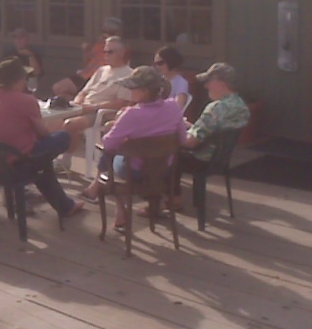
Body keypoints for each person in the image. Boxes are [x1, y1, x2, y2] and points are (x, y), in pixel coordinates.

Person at [0, 58, 85, 218]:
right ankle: (64, 206)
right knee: (61, 138)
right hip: (17, 166)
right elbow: (42, 134)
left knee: (41, 161)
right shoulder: (26, 100)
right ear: (19, 81)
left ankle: (63, 205)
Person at [79, 67, 186, 230]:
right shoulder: (173, 107)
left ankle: (116, 206)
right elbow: (183, 140)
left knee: (110, 154)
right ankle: (102, 194)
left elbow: (108, 143)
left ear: (142, 91)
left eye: (131, 88)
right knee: (124, 153)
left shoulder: (131, 114)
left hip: (135, 170)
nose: (128, 91)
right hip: (164, 168)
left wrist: (116, 125)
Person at [173, 63, 250, 208]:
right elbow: (211, 130)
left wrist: (172, 132)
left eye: (208, 82)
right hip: (219, 159)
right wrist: (190, 126)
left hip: (201, 158)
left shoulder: (216, 108)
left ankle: (169, 200)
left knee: (163, 155)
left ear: (221, 84)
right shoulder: (241, 106)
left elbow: (190, 143)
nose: (205, 86)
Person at [56, 36, 133, 169]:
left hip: (100, 113)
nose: (106, 55)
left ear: (122, 52)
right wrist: (76, 103)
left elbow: (121, 103)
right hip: (83, 107)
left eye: (110, 52)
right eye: (105, 52)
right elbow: (83, 92)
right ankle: (48, 159)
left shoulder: (128, 74)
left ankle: (65, 161)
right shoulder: (101, 70)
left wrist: (93, 107)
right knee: (50, 120)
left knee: (69, 124)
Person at [52, 17, 124, 100]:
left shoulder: (120, 48)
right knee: (58, 87)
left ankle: (78, 104)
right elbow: (87, 64)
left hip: (99, 79)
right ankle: (74, 105)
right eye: (105, 31)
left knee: (90, 97)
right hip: (85, 75)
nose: (106, 34)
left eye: (110, 32)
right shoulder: (98, 45)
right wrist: (86, 52)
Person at [153, 46, 189, 111]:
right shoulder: (157, 81)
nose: (157, 67)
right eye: (155, 64)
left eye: (160, 63)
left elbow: (179, 106)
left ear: (170, 61)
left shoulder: (181, 82)